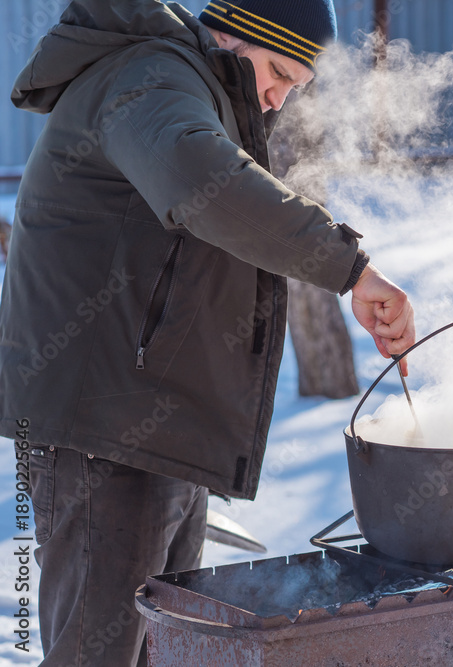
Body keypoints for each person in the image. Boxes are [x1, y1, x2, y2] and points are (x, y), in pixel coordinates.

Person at [0, 0, 415, 664]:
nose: (279, 101)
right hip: (104, 434)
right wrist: (351, 269)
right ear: (232, 33)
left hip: (150, 428)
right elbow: (208, 185)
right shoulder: (154, 79)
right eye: (278, 72)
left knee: (159, 650)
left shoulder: (192, 89)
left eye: (295, 88)